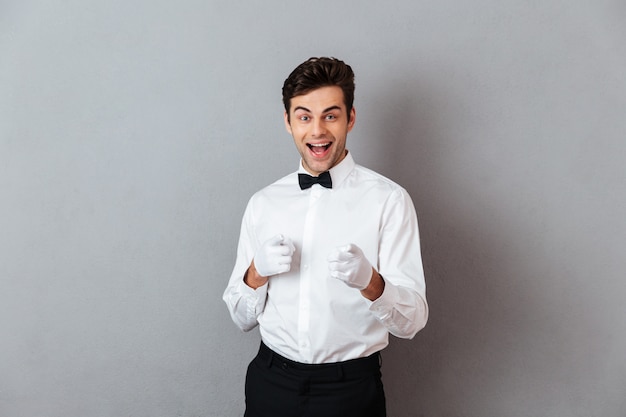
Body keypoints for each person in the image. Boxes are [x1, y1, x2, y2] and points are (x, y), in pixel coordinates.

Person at [223, 57, 428, 417]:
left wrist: (371, 283)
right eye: (304, 117)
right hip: (271, 382)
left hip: (350, 390)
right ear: (288, 122)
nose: (317, 131)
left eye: (330, 116)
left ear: (350, 118)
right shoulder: (263, 203)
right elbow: (241, 319)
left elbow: (412, 323)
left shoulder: (389, 201)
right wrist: (256, 272)